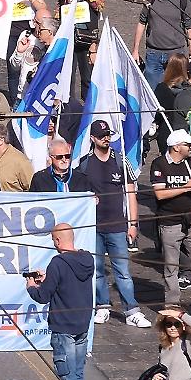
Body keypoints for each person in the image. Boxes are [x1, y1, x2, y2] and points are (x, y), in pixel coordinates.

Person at [76, 118, 150, 327]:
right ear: (92, 138)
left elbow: (130, 193)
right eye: (101, 136)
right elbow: (79, 194)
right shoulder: (84, 163)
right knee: (98, 270)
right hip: (94, 227)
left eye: (108, 134)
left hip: (117, 225)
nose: (106, 138)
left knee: (123, 272)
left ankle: (132, 310)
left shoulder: (120, 160)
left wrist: (133, 224)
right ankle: (102, 306)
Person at [25, 222, 94, 380]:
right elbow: (66, 282)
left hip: (63, 327)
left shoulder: (57, 263)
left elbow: (43, 296)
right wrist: (49, 279)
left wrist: (31, 286)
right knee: (78, 373)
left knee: (68, 376)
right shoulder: (87, 259)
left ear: (57, 240)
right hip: (82, 325)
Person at [153, 131, 191, 307]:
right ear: (176, 147)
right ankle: (172, 305)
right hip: (170, 223)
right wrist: (185, 188)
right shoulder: (160, 164)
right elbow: (160, 194)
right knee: (171, 267)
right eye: (188, 145)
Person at [133, 0, 191, 91]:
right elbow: (141, 23)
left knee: (176, 90)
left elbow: (190, 28)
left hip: (176, 55)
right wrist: (135, 50)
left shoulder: (182, 0)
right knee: (152, 91)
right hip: (153, 54)